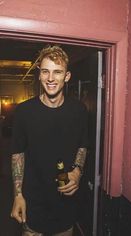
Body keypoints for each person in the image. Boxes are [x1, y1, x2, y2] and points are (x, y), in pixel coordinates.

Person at [10, 45, 88, 235]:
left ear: (67, 76)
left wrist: (77, 172)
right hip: (33, 202)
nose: (51, 78)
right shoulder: (23, 112)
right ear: (39, 75)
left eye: (57, 72)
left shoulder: (79, 111)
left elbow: (83, 146)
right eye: (45, 71)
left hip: (65, 204)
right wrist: (18, 195)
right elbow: (18, 155)